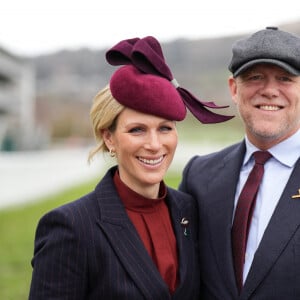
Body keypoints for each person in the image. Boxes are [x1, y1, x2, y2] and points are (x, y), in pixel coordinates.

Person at [28, 36, 232, 300]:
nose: (154, 144)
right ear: (108, 137)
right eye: (137, 130)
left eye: (165, 128)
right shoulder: (71, 227)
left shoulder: (188, 211)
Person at [179, 26, 300, 300]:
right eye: (255, 77)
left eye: (285, 78)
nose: (270, 90)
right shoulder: (198, 177)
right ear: (234, 89)